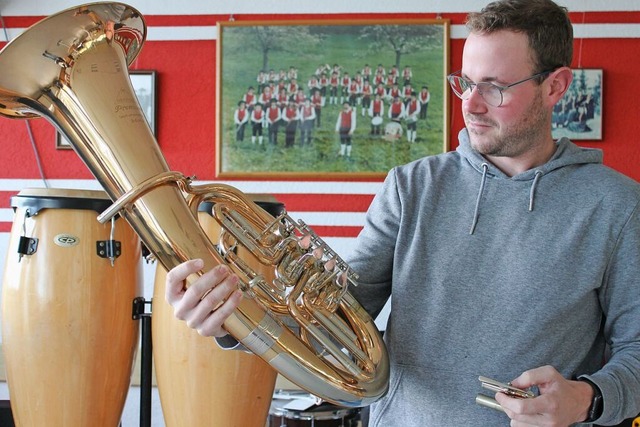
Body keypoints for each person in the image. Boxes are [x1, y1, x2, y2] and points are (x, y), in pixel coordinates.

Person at [164, 1, 640, 426]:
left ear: (555, 86)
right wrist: (235, 321)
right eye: (465, 83)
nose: (469, 105)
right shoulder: (411, 187)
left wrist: (586, 398)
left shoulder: (617, 205)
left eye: (493, 88)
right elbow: (333, 317)